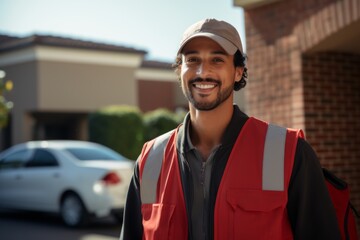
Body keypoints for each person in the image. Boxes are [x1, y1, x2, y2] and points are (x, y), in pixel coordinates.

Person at [120, 18, 341, 240]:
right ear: (180, 70)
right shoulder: (150, 161)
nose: (202, 71)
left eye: (217, 60)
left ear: (238, 71)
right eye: (192, 59)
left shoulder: (289, 153)